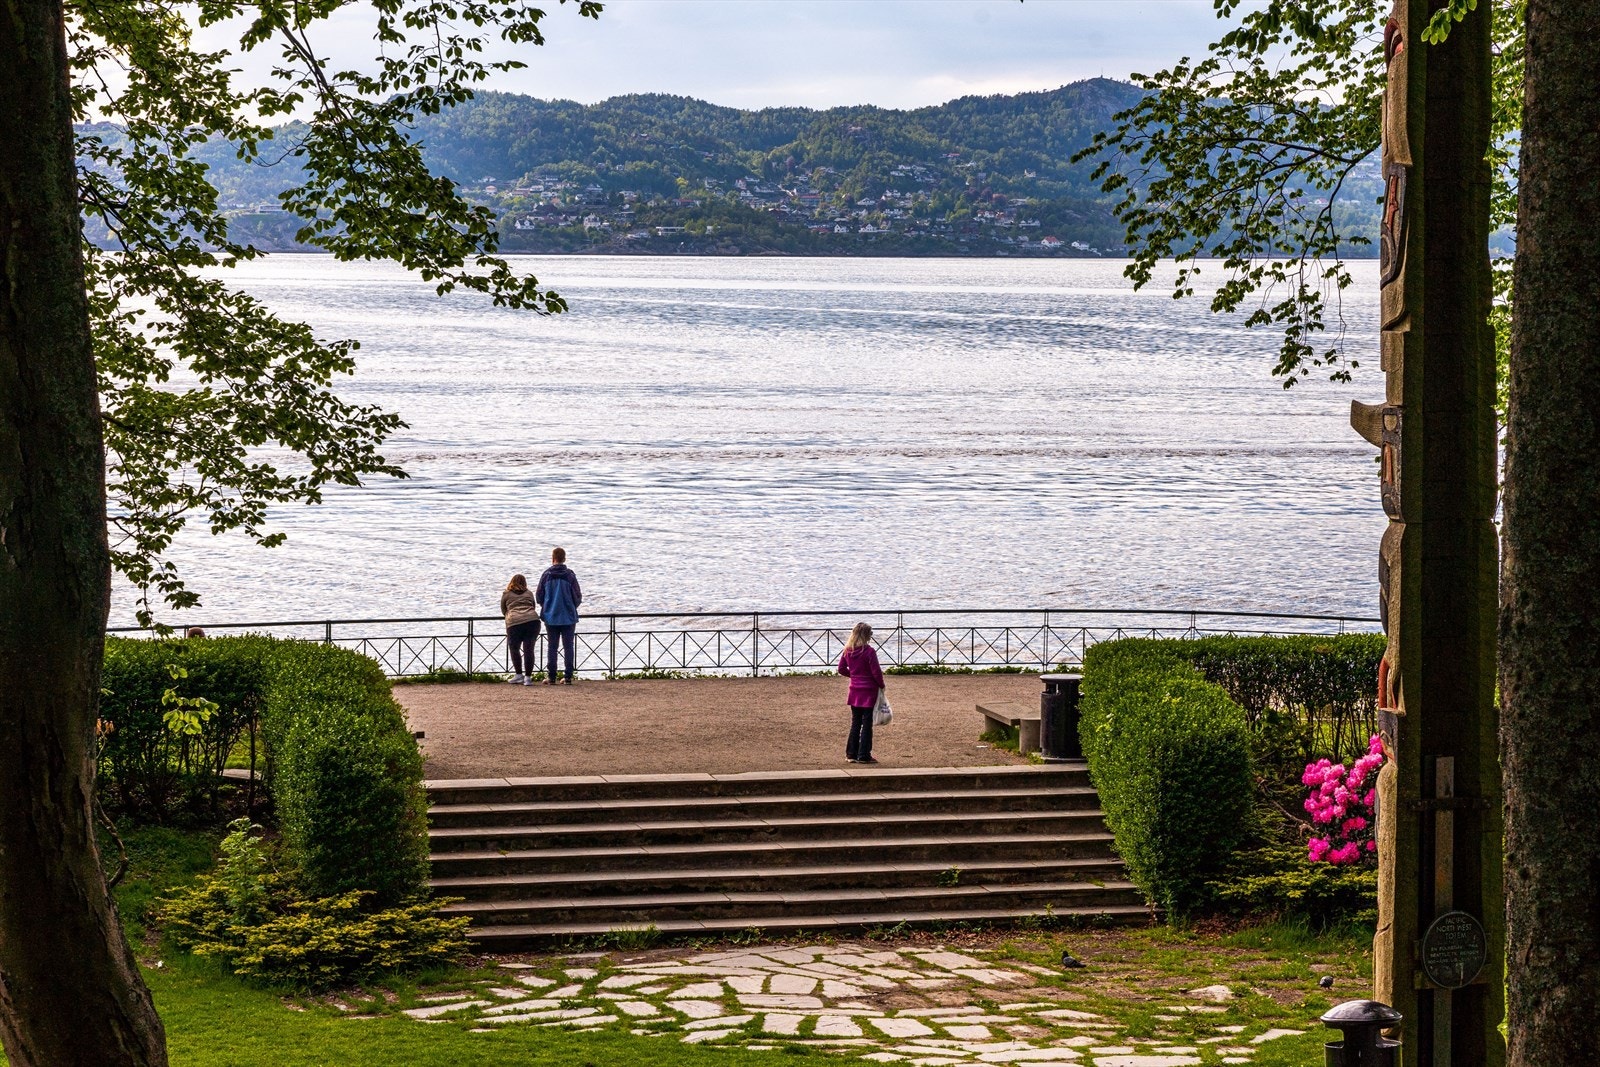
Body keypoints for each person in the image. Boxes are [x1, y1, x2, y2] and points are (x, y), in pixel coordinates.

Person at [837, 622, 885, 764]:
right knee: (867, 723)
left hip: (854, 690)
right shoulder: (869, 651)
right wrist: (881, 685)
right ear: (866, 635)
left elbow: (841, 669)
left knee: (855, 722)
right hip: (869, 690)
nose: (871, 636)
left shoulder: (848, 650)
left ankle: (851, 754)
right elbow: (876, 672)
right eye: (870, 634)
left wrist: (854, 675)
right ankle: (864, 755)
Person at [537, 547, 582, 685]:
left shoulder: (546, 575)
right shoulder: (570, 575)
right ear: (564, 558)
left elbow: (539, 596)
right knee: (568, 646)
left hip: (551, 616)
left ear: (553, 558)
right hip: (568, 616)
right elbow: (578, 596)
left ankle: (551, 677)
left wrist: (547, 606)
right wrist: (572, 606)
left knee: (552, 646)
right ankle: (568, 676)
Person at [500, 573, 541, 685]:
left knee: (514, 648)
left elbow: (503, 610)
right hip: (532, 621)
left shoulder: (506, 594)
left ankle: (518, 675)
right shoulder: (529, 593)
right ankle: (528, 678)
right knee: (529, 649)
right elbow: (533, 606)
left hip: (514, 623)